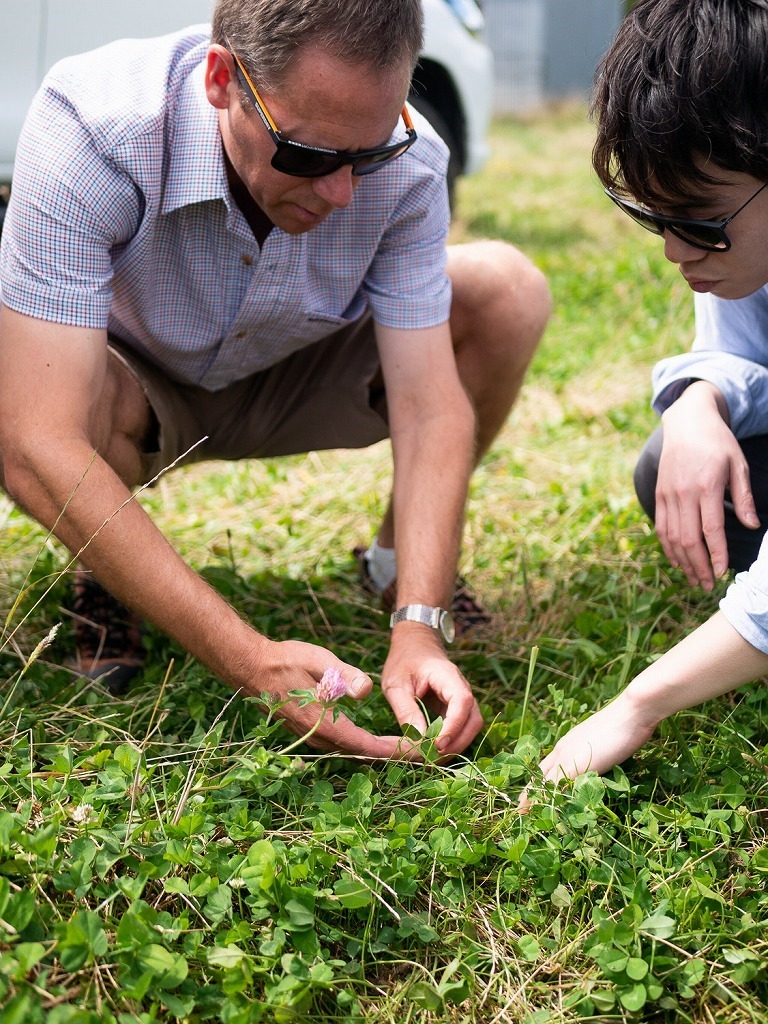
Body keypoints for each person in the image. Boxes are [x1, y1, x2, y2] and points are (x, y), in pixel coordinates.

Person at [0, 0, 550, 759]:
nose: (343, 194)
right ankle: (105, 569)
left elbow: (429, 409)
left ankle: (398, 570)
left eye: (370, 154)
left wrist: (421, 624)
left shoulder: (413, 160)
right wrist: (250, 659)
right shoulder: (94, 127)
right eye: (312, 155)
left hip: (297, 373)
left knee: (506, 291)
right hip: (132, 391)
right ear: (222, 80)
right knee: (30, 383)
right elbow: (36, 439)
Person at [534, 0, 768, 787]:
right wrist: (700, 397)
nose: (673, 249)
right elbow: (741, 354)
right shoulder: (746, 230)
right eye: (652, 216)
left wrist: (638, 704)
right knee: (673, 460)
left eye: (699, 221)